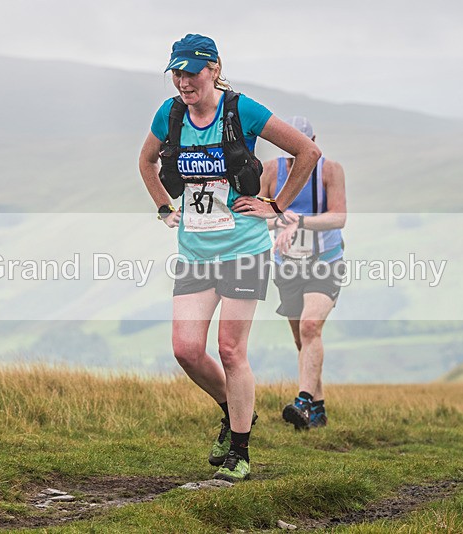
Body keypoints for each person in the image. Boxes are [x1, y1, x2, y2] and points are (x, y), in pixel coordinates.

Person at [139, 34, 319, 482]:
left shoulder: (242, 111)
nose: (183, 81)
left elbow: (307, 152)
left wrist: (276, 206)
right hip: (196, 252)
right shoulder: (170, 114)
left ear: (214, 68)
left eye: (191, 71)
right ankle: (234, 412)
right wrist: (165, 206)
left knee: (230, 349)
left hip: (243, 249)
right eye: (176, 72)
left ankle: (240, 451)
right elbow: (145, 163)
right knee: (185, 350)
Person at [260, 116, 346, 431]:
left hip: (325, 260)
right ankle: (318, 410)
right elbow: (257, 217)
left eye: (304, 145)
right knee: (302, 340)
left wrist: (302, 222)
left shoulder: (330, 170)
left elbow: (339, 217)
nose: (298, 154)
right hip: (288, 264)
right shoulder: (271, 171)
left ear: (314, 140)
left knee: (311, 327)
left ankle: (302, 402)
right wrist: (282, 220)